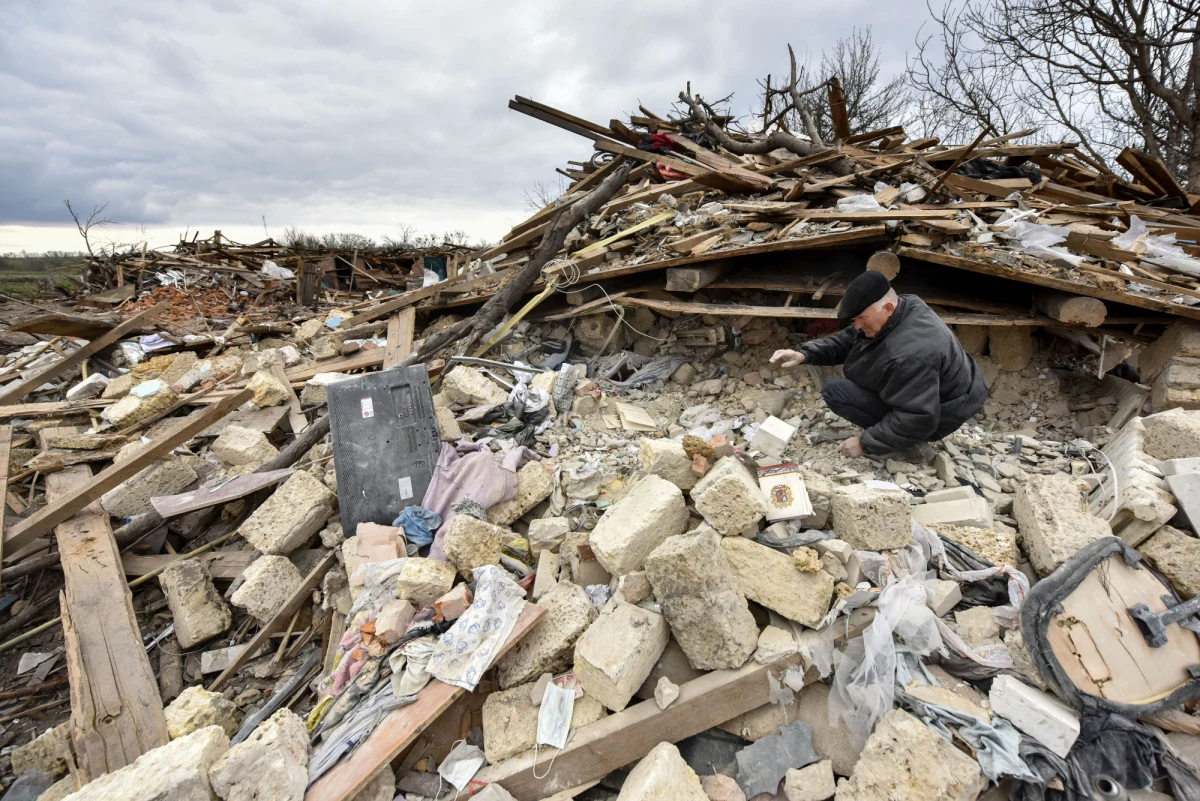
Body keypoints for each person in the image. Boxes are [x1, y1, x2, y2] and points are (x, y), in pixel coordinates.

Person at [771, 271, 988, 460]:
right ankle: (897, 430)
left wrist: (866, 443)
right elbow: (851, 338)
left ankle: (908, 444)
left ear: (888, 307)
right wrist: (805, 354)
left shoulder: (910, 355)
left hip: (939, 415)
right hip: (946, 395)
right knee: (856, 372)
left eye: (862, 318)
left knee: (836, 392)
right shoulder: (905, 307)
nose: (857, 325)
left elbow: (919, 417)